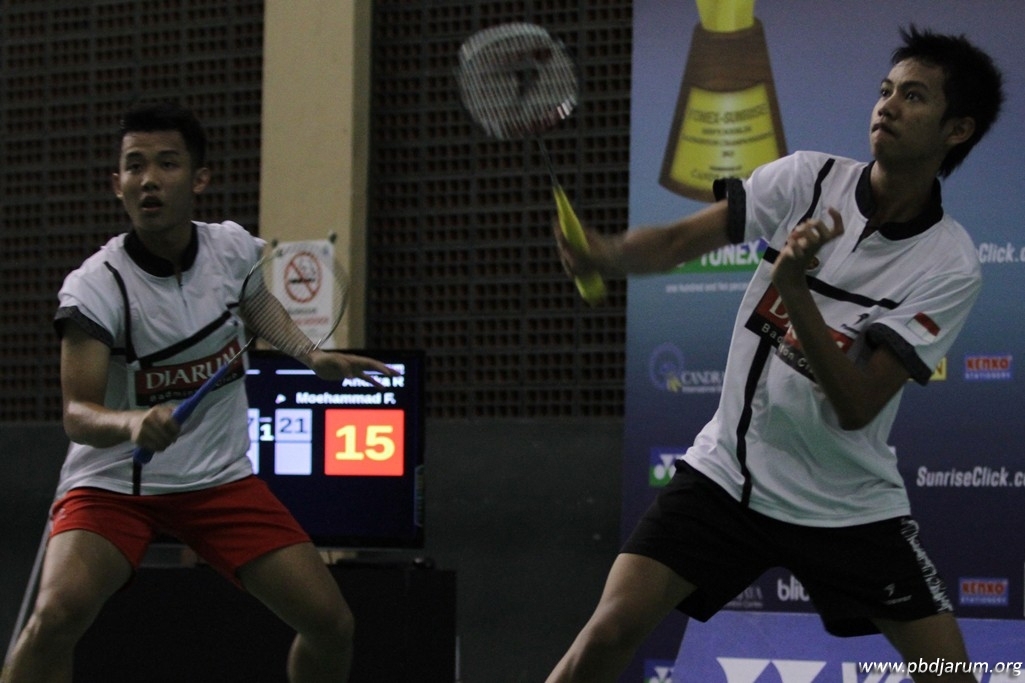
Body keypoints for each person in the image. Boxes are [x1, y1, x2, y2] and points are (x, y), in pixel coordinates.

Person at [547, 26, 1004, 683]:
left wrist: (795, 291)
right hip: (729, 472)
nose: (887, 106)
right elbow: (676, 243)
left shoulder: (948, 263)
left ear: (956, 130)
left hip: (845, 503)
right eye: (885, 90)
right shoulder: (806, 179)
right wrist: (607, 254)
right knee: (607, 631)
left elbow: (856, 404)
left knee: (947, 672)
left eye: (913, 97)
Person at [2, 102, 394, 683]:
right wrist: (131, 423)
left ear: (199, 178)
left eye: (167, 164)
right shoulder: (96, 287)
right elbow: (77, 414)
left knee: (331, 624)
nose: (149, 179)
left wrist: (310, 354)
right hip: (116, 484)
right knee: (55, 617)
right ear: (117, 184)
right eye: (135, 166)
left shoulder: (230, 250)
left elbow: (256, 305)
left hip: (217, 480)